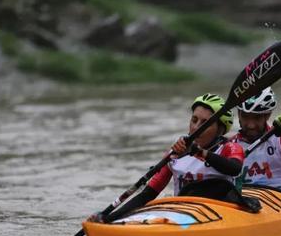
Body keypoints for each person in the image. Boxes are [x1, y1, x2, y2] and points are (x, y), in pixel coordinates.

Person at [89, 93, 246, 223]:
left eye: (205, 123)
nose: (196, 127)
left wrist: (199, 152)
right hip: (183, 214)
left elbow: (234, 169)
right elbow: (148, 194)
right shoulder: (176, 153)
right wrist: (110, 219)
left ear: (220, 130)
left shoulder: (230, 148)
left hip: (219, 213)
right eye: (194, 120)